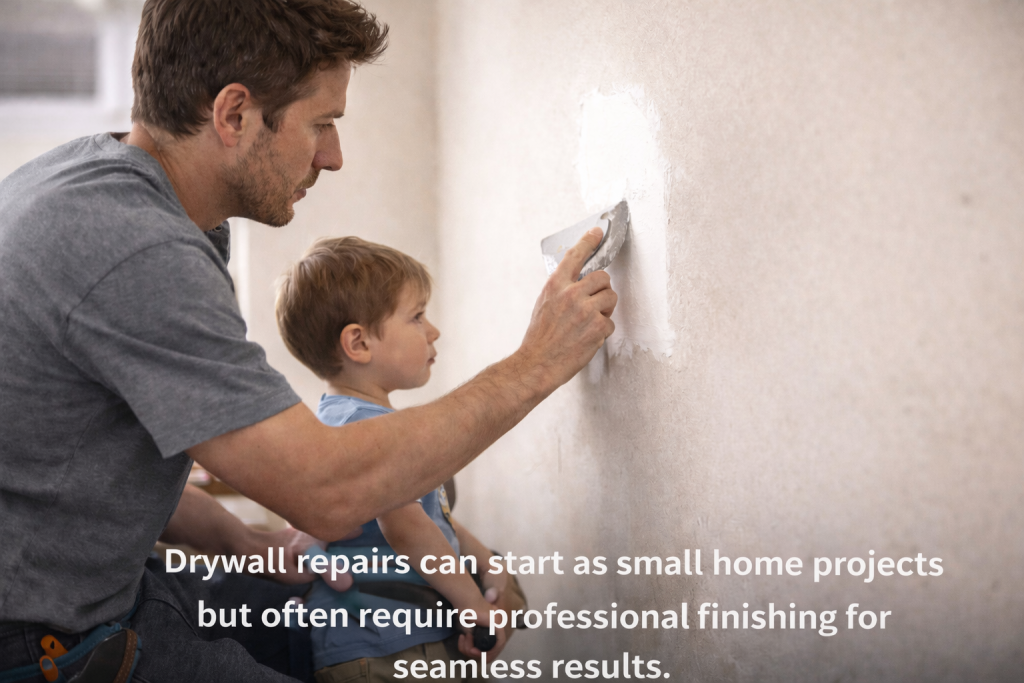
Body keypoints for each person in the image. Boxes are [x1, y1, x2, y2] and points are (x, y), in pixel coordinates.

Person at [0, 1, 615, 681]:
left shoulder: (116, 193)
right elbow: (328, 491)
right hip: (51, 642)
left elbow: (77, 464)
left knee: (329, 615)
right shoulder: (132, 245)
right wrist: (535, 364)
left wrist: (242, 541)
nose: (334, 156)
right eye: (321, 124)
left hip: (117, 585)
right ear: (234, 115)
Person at [275, 237, 508, 682]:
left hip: (390, 643)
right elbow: (405, 526)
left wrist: (484, 559)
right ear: (359, 343)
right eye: (417, 316)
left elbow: (430, 513)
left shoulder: (357, 420)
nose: (433, 331)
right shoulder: (359, 431)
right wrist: (474, 606)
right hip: (385, 649)